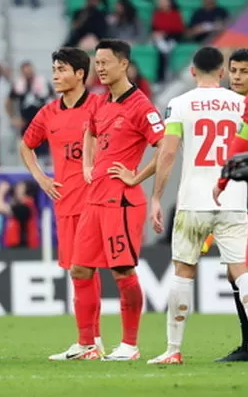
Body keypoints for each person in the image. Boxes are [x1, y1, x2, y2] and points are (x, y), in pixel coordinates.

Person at [148, 47, 248, 365]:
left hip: (193, 201)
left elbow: (168, 153)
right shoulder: (243, 103)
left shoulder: (179, 104)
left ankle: (174, 350)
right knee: (243, 272)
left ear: (192, 72)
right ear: (222, 72)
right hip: (232, 198)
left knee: (183, 271)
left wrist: (157, 197)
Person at [71, 39, 164, 361]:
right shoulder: (99, 103)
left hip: (121, 203)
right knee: (79, 269)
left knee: (122, 272)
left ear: (123, 64)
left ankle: (130, 345)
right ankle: (87, 345)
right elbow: (91, 132)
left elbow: (166, 147)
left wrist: (136, 177)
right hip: (94, 200)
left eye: (104, 62)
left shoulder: (142, 106)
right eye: (96, 62)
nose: (99, 68)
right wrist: (87, 164)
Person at [19, 47, 105, 359]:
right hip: (65, 201)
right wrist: (41, 178)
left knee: (88, 270)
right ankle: (93, 341)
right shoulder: (48, 113)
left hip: (97, 200)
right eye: (54, 69)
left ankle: (93, 343)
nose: (55, 75)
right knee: (80, 271)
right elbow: (26, 146)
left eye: (62, 69)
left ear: (80, 74)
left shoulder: (100, 105)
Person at [205, 48, 248, 363]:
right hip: (234, 197)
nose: (237, 77)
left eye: (244, 72)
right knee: (235, 271)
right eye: (234, 71)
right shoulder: (224, 106)